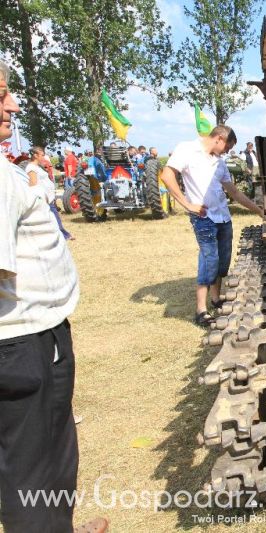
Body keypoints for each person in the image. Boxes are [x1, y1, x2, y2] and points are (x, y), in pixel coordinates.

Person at [0, 59, 107, 533]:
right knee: (36, 463)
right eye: (1, 92)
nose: (13, 103)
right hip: (24, 341)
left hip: (22, 337)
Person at [159, 125, 266, 326]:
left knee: (222, 261)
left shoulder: (219, 163)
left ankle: (216, 299)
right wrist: (187, 204)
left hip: (223, 218)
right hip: (204, 218)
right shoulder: (187, 149)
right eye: (227, 147)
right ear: (219, 138)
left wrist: (258, 210)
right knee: (209, 260)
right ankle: (200, 310)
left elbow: (234, 193)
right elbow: (167, 175)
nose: (227, 152)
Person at [26, 146, 74, 241]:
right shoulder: (31, 168)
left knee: (55, 219)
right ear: (35, 155)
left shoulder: (37, 167)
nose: (44, 158)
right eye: (42, 155)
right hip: (44, 200)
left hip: (49, 199)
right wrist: (42, 199)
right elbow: (33, 186)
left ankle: (64, 235)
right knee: (54, 219)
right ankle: (64, 236)